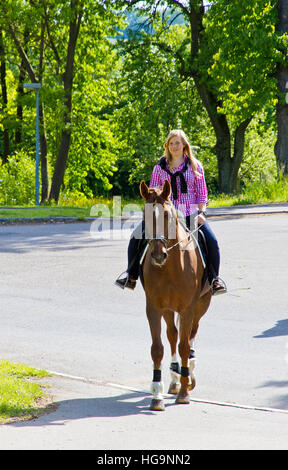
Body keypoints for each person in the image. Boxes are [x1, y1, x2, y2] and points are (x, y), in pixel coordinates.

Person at [115, 129, 227, 295]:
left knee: (211, 241)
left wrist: (202, 212)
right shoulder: (159, 168)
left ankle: (214, 279)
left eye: (178, 143)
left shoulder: (195, 166)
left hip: (190, 213)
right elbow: (152, 192)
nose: (174, 146)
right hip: (163, 214)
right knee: (135, 237)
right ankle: (130, 276)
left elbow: (201, 192)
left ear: (184, 145)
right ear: (167, 146)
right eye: (171, 143)